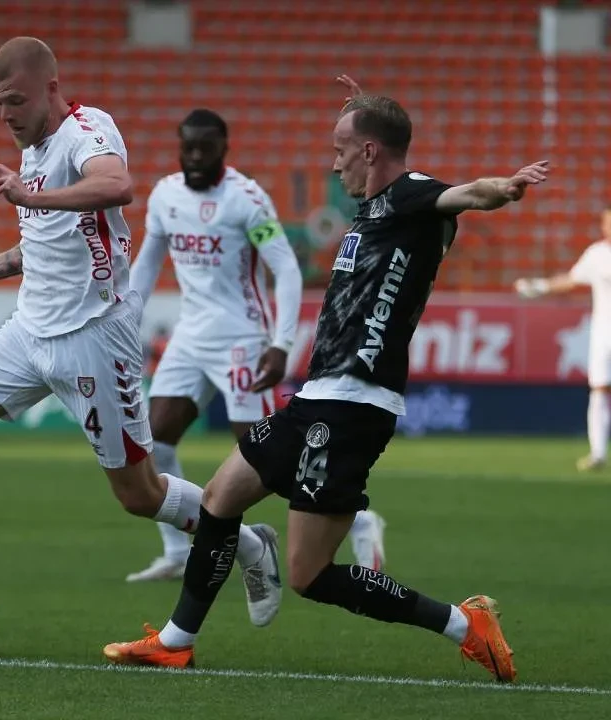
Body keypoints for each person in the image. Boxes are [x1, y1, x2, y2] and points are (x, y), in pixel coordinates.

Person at [102, 75, 548, 683]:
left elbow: (461, 195)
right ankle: (176, 641)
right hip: (319, 395)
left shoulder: (413, 195)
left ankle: (466, 626)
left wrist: (501, 188)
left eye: (341, 147)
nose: (331, 160)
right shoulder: (374, 210)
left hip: (354, 405)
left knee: (312, 575)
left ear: (369, 151)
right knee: (219, 496)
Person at [0, 36, 282, 630]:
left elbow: (117, 186)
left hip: (94, 336)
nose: (4, 114)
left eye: (14, 100)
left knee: (139, 495)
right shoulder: (33, 154)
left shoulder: (86, 128)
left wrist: (31, 193)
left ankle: (251, 545)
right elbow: (47, 241)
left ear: (49, 87)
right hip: (28, 333)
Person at [125, 109, 386, 583]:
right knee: (153, 440)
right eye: (189, 148)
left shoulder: (246, 199)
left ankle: (360, 518)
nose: (196, 157)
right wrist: (126, 319)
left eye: (206, 148)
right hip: (188, 337)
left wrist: (280, 342)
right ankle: (177, 550)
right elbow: (147, 262)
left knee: (264, 458)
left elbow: (284, 268)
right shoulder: (165, 196)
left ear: (225, 149)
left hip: (241, 340)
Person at [515, 207, 611, 471]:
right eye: (607, 222)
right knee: (600, 389)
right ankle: (598, 452)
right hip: (604, 334)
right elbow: (572, 280)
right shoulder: (597, 254)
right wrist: (541, 287)